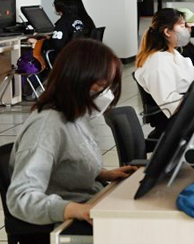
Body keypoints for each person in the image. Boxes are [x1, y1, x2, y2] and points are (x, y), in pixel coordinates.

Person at [7, 39, 137, 227]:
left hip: (92, 203)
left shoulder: (77, 116)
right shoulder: (46, 126)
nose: (106, 93)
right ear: (78, 79)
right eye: (101, 85)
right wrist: (73, 209)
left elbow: (67, 161)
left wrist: (103, 174)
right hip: (67, 223)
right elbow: (20, 197)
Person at [135, 8, 194, 121]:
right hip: (180, 119)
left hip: (190, 105)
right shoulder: (157, 63)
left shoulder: (172, 53)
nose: (186, 31)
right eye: (182, 26)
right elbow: (170, 104)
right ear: (167, 32)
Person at [45, 0, 85, 64]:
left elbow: (56, 44)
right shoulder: (78, 19)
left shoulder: (63, 22)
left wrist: (39, 43)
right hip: (77, 56)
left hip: (64, 57)